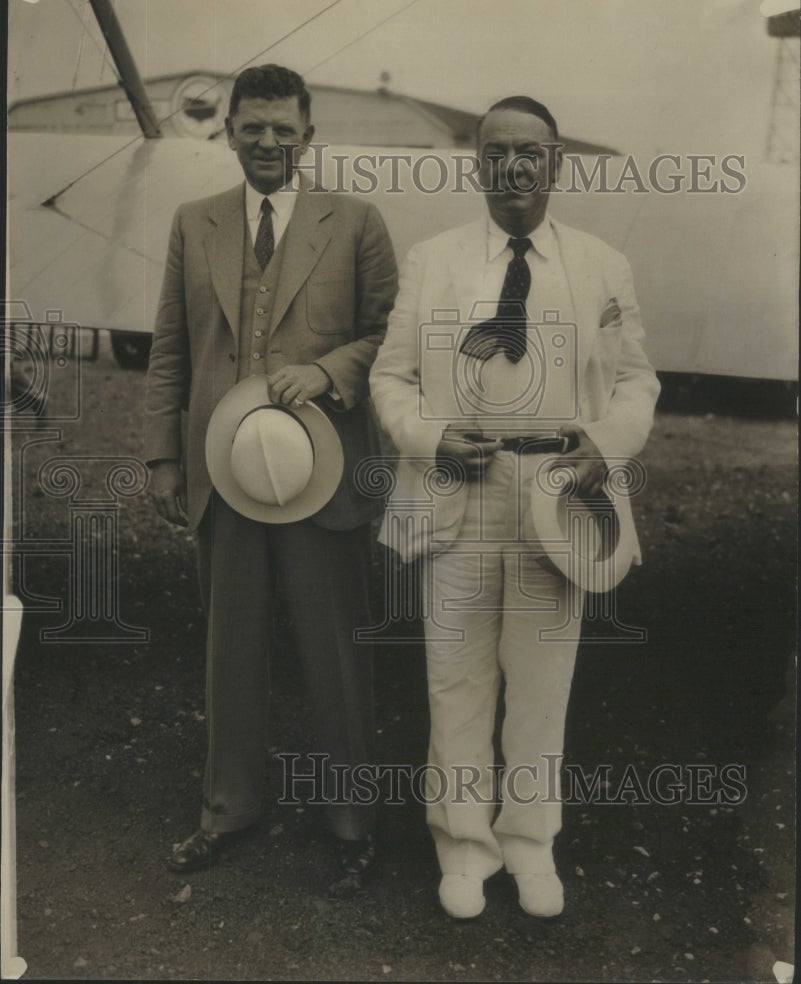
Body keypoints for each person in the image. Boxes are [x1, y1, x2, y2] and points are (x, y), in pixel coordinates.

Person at [369, 96, 660, 918]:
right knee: (455, 681)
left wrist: (605, 445)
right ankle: (463, 850)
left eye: (528, 152)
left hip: (559, 497)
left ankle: (531, 846)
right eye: (495, 152)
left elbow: (637, 380)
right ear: (476, 163)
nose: (512, 167)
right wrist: (428, 437)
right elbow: (389, 377)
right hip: (458, 490)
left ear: (556, 162)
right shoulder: (434, 260)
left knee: (540, 685)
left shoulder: (602, 264)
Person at [144, 64, 397, 896]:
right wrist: (163, 457)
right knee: (230, 651)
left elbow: (386, 338)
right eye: (252, 127)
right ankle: (228, 808)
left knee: (335, 652)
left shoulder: (355, 223)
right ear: (228, 132)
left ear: (308, 136)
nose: (267, 143)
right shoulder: (194, 222)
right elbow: (171, 351)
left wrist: (326, 372)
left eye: (284, 130)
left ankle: (352, 820)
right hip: (223, 472)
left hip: (320, 476)